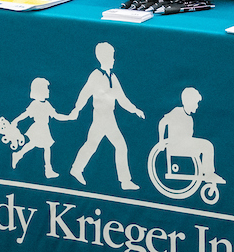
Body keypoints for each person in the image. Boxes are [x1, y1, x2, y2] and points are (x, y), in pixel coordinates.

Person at [67, 42, 145, 189]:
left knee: (105, 145)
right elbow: (85, 93)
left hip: (110, 117)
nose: (114, 59)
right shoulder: (96, 75)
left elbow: (122, 98)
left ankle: (77, 169)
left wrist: (135, 110)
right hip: (101, 117)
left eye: (113, 56)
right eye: (111, 57)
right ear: (103, 57)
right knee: (100, 145)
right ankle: (77, 170)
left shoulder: (113, 77)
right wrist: (77, 109)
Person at [157, 87, 223, 185]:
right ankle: (209, 174)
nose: (197, 106)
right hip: (176, 146)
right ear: (189, 102)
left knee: (207, 145)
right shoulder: (177, 112)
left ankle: (209, 173)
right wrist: (161, 140)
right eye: (196, 103)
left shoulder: (189, 119)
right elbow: (162, 123)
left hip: (185, 144)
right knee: (207, 145)